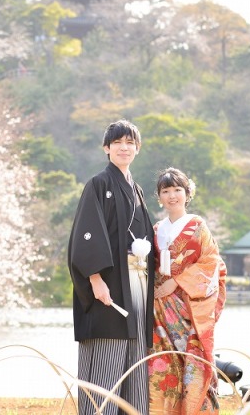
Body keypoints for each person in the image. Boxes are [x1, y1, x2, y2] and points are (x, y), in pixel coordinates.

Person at [67, 119, 156, 415]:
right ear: (106, 148)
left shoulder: (137, 189)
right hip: (110, 285)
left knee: (135, 357)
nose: (124, 147)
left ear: (137, 149)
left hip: (137, 284)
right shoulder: (99, 184)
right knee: (109, 354)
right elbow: (86, 234)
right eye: (117, 142)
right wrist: (95, 278)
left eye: (130, 143)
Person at [147, 168, 227, 414]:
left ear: (187, 193)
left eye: (177, 190)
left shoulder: (197, 226)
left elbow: (212, 263)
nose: (172, 196)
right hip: (159, 306)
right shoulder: (155, 229)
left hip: (187, 305)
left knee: (192, 360)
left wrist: (178, 282)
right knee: (162, 362)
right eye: (166, 191)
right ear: (159, 197)